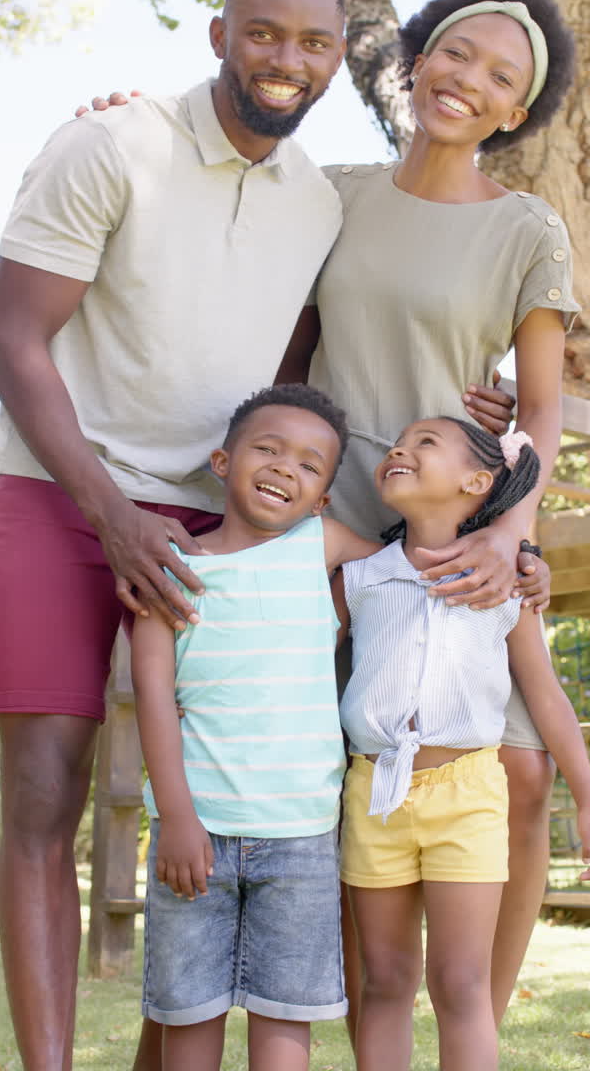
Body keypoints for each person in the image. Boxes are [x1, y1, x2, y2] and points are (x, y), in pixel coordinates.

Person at [0, 0, 521, 1071]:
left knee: (225, 799)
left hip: (215, 520)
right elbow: (8, 339)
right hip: (60, 486)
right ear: (219, 33)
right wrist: (114, 518)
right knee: (45, 787)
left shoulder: (322, 201)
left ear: (337, 61)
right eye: (263, 33)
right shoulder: (112, 143)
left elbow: (363, 328)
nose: (287, 59)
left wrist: (493, 451)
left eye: (314, 43)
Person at [275, 0, 580, 1024]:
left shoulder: (529, 229)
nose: (468, 80)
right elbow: (283, 345)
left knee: (520, 772)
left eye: (502, 75)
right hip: (332, 524)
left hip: (459, 525)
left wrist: (510, 533)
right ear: (416, 59)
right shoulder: (334, 191)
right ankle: (367, 1021)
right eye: (456, 53)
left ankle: (475, 1024)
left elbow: (538, 408)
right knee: (344, 785)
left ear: (516, 112)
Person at [335, 416, 590, 1071]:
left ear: (477, 481)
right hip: (373, 796)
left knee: (460, 984)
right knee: (385, 982)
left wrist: (588, 800)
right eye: (399, 443)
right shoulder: (357, 577)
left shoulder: (507, 583)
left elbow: (546, 697)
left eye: (425, 442)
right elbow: (300, 663)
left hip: (469, 797)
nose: (402, 448)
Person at [131, 383, 378, 1071]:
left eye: (308, 464)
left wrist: (521, 555)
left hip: (300, 835)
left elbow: (394, 570)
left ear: (324, 495)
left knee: (284, 1020)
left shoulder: (320, 545)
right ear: (222, 460)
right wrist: (177, 816)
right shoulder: (171, 574)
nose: (283, 468)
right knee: (189, 1015)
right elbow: (152, 697)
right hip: (195, 833)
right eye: (267, 450)